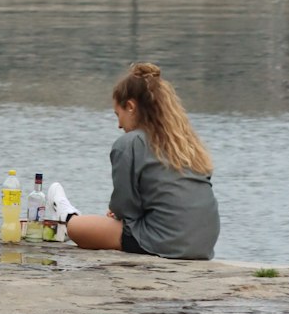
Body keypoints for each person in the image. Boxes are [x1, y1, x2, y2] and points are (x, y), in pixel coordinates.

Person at [46, 62, 219, 259]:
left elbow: (125, 207)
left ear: (130, 107)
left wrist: (116, 213)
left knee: (78, 228)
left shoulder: (129, 143)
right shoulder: (186, 143)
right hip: (203, 246)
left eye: (117, 115)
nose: (119, 125)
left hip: (164, 242)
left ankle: (67, 215)